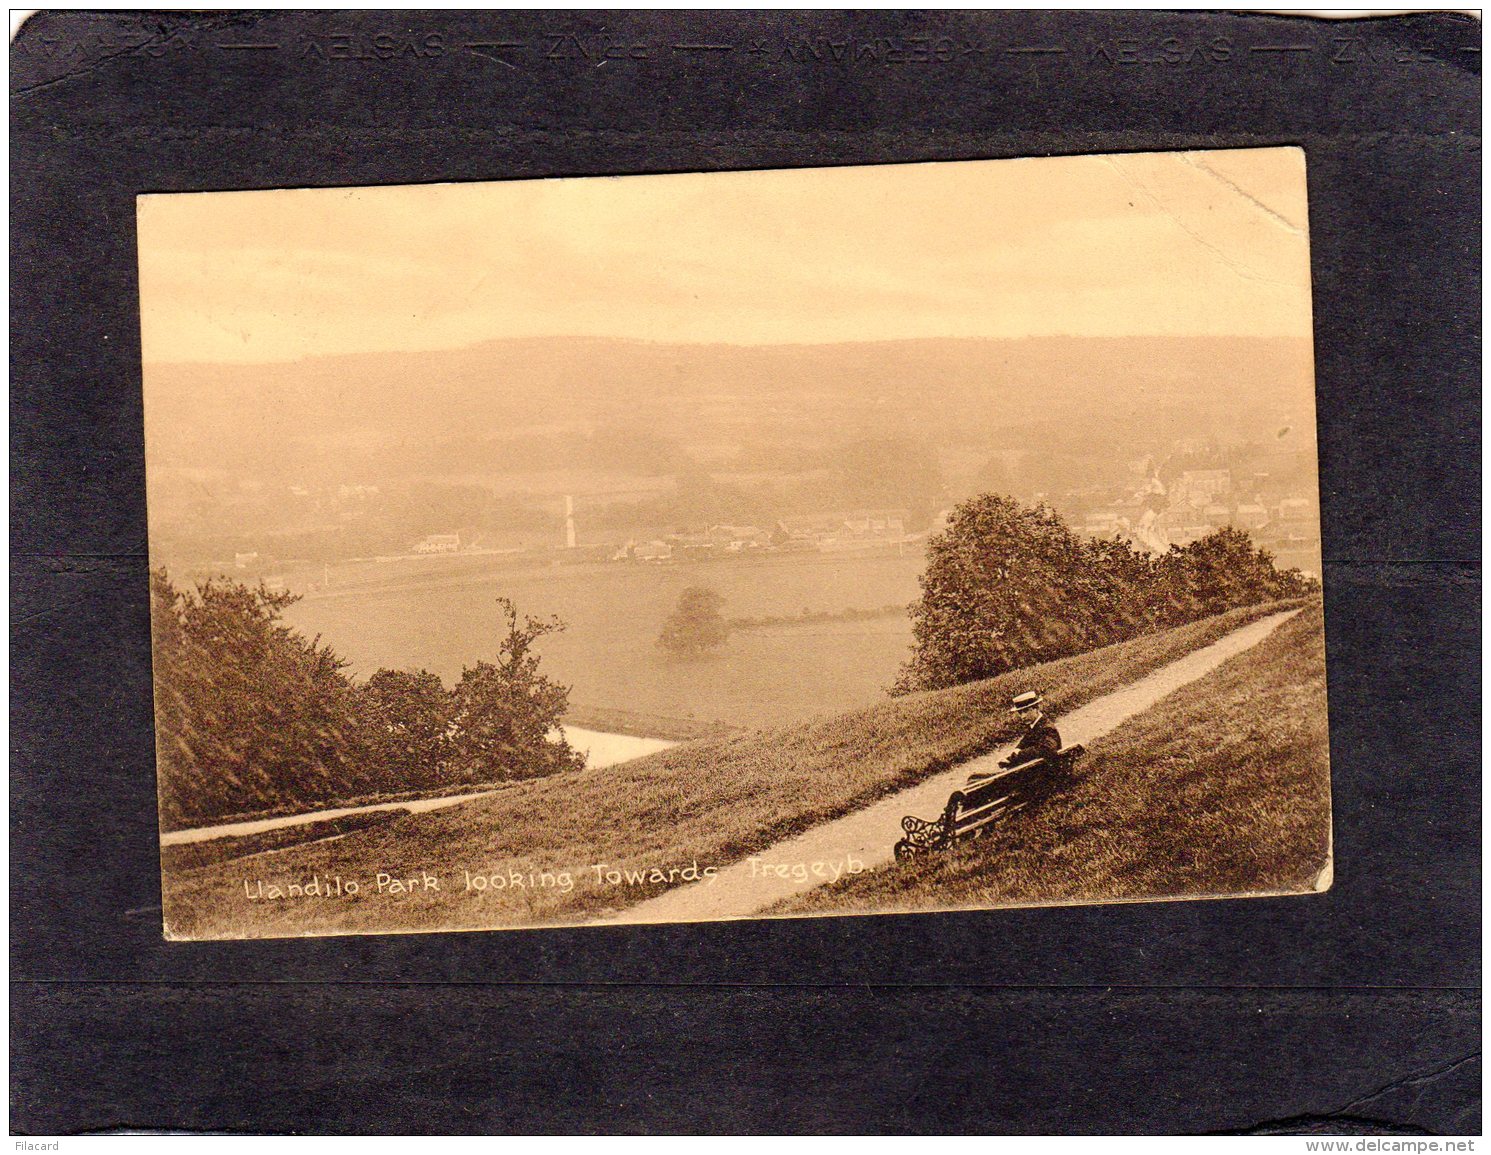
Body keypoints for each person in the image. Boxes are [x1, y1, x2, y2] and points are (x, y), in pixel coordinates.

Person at [999, 690, 1061, 770]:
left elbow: (1047, 749)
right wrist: (1011, 757)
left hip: (1050, 771)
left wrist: (1019, 754)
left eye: (1026, 711)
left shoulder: (1047, 727)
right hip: (1040, 767)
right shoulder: (1035, 725)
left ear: (1036, 708)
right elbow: (1026, 741)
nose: (1023, 716)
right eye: (1020, 713)